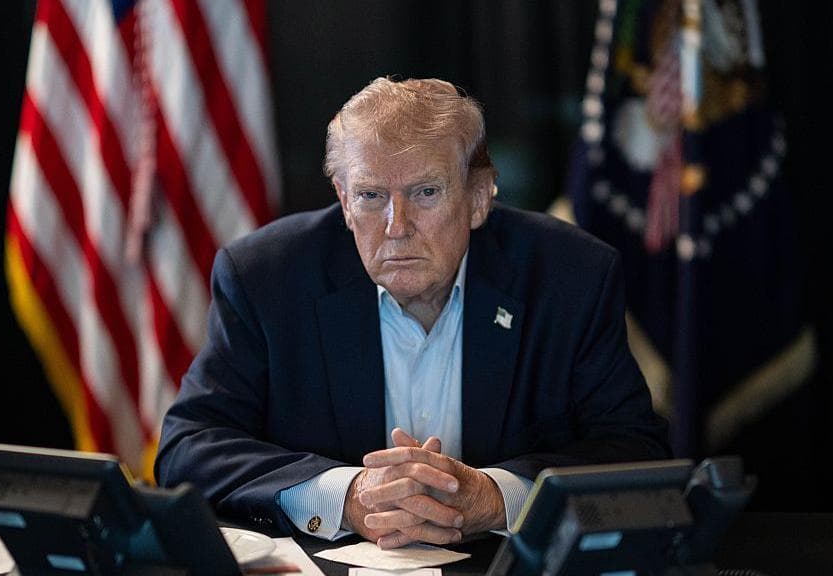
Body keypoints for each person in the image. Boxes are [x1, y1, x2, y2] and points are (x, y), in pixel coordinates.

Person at [155, 77, 670, 548]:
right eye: (371, 195)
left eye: (425, 192)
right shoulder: (265, 276)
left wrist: (497, 496)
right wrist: (346, 495)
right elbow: (189, 447)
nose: (395, 226)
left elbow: (635, 451)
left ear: (478, 196)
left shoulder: (571, 276)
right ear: (343, 199)